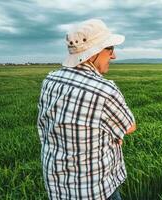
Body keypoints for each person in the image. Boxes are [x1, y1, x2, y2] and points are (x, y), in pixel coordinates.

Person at [37, 19, 136, 200]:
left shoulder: (50, 80)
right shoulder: (104, 90)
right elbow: (129, 126)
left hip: (57, 185)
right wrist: (114, 136)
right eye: (111, 48)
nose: (114, 56)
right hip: (96, 188)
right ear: (93, 53)